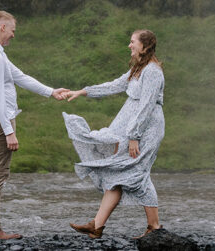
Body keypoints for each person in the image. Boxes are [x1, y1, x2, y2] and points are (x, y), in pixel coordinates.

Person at [62, 29, 165, 240]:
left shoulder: (153, 71)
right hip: (131, 127)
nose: (129, 45)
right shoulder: (138, 69)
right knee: (118, 174)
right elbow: (115, 85)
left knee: (137, 173)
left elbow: (146, 105)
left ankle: (154, 227)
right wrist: (83, 91)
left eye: (133, 42)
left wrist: (135, 135)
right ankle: (96, 225)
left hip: (145, 130)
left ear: (144, 47)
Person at [0, 10, 69, 241]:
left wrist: (50, 91)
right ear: (2, 28)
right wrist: (9, 132)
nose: (14, 35)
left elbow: (20, 76)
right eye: (13, 30)